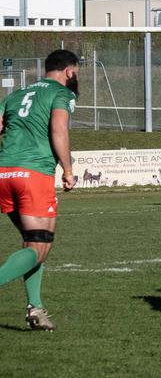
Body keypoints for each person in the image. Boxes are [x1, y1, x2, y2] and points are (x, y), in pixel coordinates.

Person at [0, 49, 79, 331]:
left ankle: (35, 309)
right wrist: (68, 170)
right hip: (34, 175)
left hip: (4, 173)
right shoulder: (61, 93)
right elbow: (59, 129)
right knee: (40, 246)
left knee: (33, 243)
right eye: (76, 73)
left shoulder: (15, 95)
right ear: (69, 71)